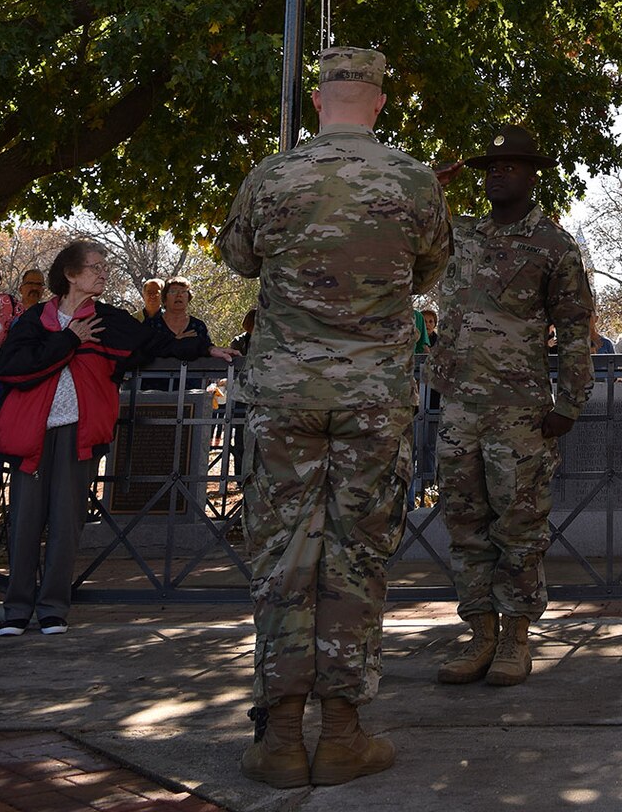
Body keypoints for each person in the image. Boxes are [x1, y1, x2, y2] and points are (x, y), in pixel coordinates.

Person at [217, 45, 451, 788]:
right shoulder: (413, 180)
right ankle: (343, 732)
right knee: (355, 559)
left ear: (318, 100)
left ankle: (281, 737)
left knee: (282, 558)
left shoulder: (272, 175)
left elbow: (239, 260)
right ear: (378, 102)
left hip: (285, 396)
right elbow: (430, 271)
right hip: (371, 399)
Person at [431, 125, 594, 689]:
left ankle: (516, 637)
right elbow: (404, 232)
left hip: (520, 412)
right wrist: (431, 184)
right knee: (464, 522)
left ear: (532, 175)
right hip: (459, 409)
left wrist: (570, 401)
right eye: (490, 168)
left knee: (519, 525)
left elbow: (575, 326)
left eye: (510, 166)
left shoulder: (552, 244)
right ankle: (479, 635)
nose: (497, 174)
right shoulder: (461, 236)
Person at [0, 241, 172, 635]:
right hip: (32, 435)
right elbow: (13, 368)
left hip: (79, 433)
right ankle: (17, 609)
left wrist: (205, 346)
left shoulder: (109, 319)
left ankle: (53, 608)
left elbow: (155, 343)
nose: (103, 272)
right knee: (25, 520)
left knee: (67, 520)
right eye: (95, 267)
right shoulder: (34, 320)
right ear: (71, 274)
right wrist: (70, 339)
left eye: (104, 266)